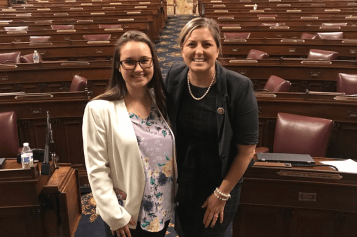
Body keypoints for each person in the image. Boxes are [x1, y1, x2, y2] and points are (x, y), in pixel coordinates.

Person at [164, 17, 259, 237]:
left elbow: (246, 152)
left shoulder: (239, 87)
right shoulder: (174, 76)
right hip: (185, 181)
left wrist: (221, 194)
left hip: (220, 182)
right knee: (184, 231)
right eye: (191, 44)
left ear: (217, 49)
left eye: (207, 44)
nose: (199, 51)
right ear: (182, 49)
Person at [83, 30, 177, 237]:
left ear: (153, 62)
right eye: (129, 62)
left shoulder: (162, 102)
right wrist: (114, 215)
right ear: (119, 66)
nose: (138, 68)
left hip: (161, 207)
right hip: (127, 213)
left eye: (144, 60)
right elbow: (96, 169)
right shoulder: (99, 109)